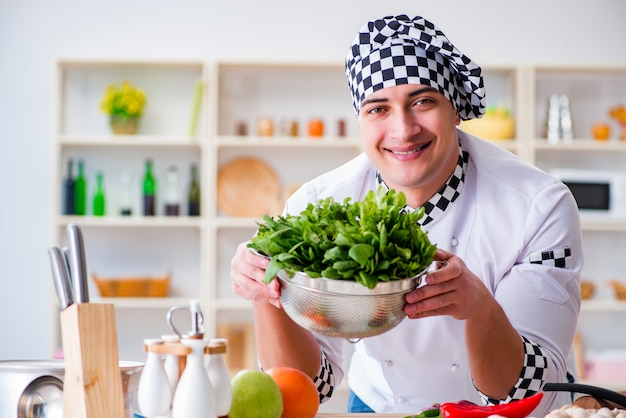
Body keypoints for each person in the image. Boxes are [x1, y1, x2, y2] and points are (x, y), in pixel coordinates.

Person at [230, 14, 582, 416]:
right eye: (378, 109)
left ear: (455, 109)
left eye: (423, 101)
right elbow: (307, 386)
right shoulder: (316, 206)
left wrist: (479, 307)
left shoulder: (539, 206)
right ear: (360, 121)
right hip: (379, 404)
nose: (403, 129)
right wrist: (267, 288)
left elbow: (524, 392)